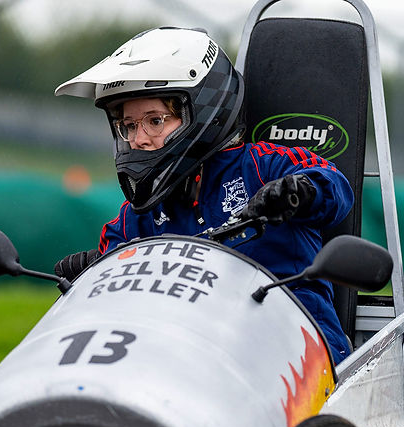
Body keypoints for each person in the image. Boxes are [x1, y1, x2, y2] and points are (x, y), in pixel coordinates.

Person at [53, 27, 355, 363]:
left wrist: (299, 192)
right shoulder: (135, 217)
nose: (138, 139)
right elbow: (116, 307)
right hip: (190, 359)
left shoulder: (262, 166)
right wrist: (96, 275)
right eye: (129, 125)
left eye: (154, 121)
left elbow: (335, 188)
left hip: (297, 355)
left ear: (201, 110)